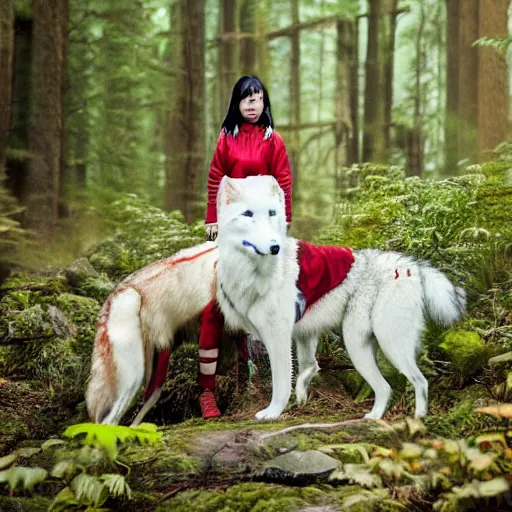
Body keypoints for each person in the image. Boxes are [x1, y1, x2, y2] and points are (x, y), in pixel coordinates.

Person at [198, 75, 293, 418]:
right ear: (236, 104)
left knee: (262, 297)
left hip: (264, 230)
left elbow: (283, 181)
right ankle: (205, 390)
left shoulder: (273, 140)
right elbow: (214, 177)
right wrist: (211, 220)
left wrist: (284, 223)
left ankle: (248, 375)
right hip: (232, 229)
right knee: (216, 302)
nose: (252, 105)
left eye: (258, 99)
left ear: (265, 103)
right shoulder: (227, 138)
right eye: (246, 100)